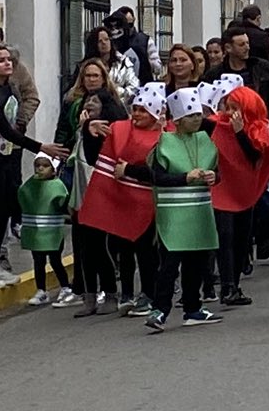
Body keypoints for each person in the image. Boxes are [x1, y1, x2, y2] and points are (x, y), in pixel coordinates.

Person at [0, 44, 68, 290]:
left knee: (6, 209)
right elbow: (6, 130)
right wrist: (41, 147)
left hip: (5, 158)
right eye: (1, 61)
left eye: (9, 60)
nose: (7, 64)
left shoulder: (9, 89)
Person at [125, 86, 224, 333]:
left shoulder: (205, 140)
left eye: (199, 114)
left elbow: (218, 171)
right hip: (174, 214)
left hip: (200, 211)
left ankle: (193, 308)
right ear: (178, 120)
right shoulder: (165, 143)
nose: (198, 119)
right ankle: (160, 310)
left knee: (197, 263)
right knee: (170, 265)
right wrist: (184, 178)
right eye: (192, 116)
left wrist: (214, 176)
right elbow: (156, 177)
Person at [80, 83, 165, 317]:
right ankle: (126, 293)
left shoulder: (164, 137)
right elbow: (97, 153)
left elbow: (159, 173)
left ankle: (149, 294)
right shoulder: (120, 129)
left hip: (146, 204)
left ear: (156, 113)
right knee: (123, 249)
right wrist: (88, 127)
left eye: (143, 110)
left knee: (146, 251)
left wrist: (128, 170)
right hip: (121, 200)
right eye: (135, 109)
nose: (137, 114)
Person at [56, 57, 125, 313]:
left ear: (104, 77)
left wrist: (89, 127)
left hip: (103, 183)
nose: (91, 81)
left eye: (96, 76)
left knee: (101, 243)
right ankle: (87, 293)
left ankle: (110, 293)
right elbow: (68, 135)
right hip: (80, 183)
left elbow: (113, 141)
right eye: (87, 76)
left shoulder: (114, 108)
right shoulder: (74, 106)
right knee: (83, 243)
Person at [208, 82, 269, 306]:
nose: (229, 113)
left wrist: (240, 134)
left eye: (235, 107)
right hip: (221, 190)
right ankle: (227, 286)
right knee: (225, 238)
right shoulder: (216, 125)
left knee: (241, 240)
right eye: (227, 107)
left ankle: (234, 285)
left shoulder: (259, 129)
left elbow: (255, 157)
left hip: (245, 192)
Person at [18, 153, 74, 307]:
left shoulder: (57, 185)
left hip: (53, 232)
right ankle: (41, 290)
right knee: (38, 262)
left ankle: (65, 287)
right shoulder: (29, 185)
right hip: (36, 232)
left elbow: (64, 203)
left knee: (56, 261)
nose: (40, 169)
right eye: (37, 166)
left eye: (45, 166)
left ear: (53, 169)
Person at [0, 24, 41, 131]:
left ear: (1, 41)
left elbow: (31, 96)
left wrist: (20, 121)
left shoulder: (17, 68)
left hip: (10, 132)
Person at [106, 7, 158, 86]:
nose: (126, 28)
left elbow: (157, 67)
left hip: (141, 87)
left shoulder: (145, 40)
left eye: (130, 24)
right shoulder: (108, 42)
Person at [86, 24, 141, 99]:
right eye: (100, 41)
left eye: (106, 39)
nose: (104, 43)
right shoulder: (87, 66)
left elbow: (135, 86)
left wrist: (116, 91)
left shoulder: (123, 62)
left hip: (119, 105)